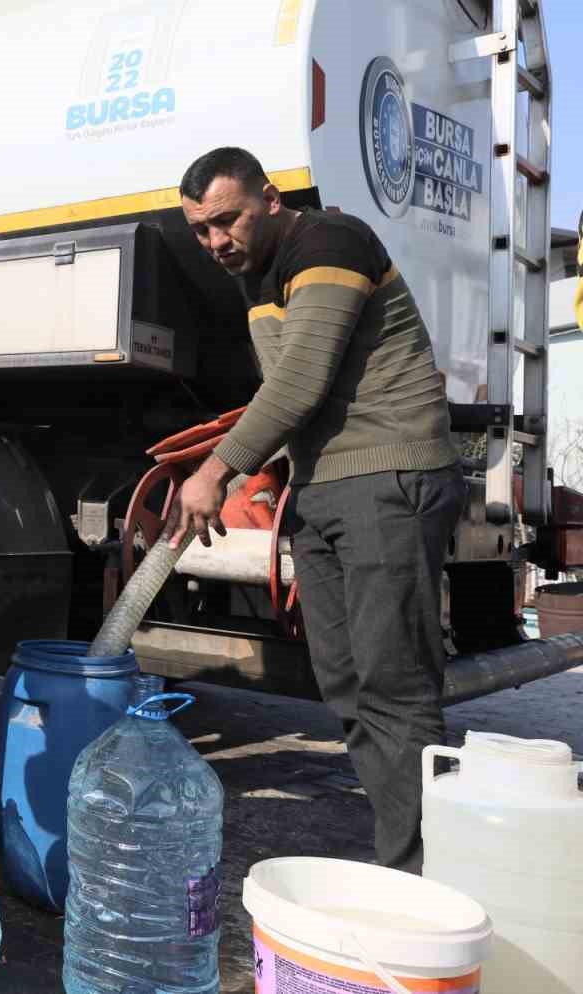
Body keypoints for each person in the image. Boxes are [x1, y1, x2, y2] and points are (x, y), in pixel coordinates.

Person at [171, 147, 464, 873]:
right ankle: (408, 853)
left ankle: (432, 877)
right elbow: (292, 395)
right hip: (324, 487)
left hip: (387, 476)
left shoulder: (329, 241)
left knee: (393, 683)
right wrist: (267, 480)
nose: (216, 243)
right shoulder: (257, 276)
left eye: (227, 220)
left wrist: (215, 471)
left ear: (270, 198)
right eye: (201, 231)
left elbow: (300, 380)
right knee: (344, 680)